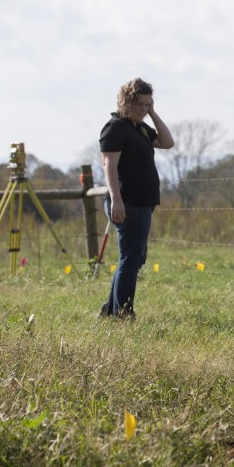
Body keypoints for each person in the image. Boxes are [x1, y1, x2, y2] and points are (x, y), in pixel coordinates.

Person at [99, 78, 174, 319]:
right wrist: (116, 200)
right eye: (140, 104)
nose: (143, 109)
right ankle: (122, 313)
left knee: (134, 258)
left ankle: (111, 311)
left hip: (143, 203)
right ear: (127, 102)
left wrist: (152, 113)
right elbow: (108, 165)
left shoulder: (139, 128)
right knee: (130, 260)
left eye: (147, 104)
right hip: (127, 203)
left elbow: (167, 142)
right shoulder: (115, 127)